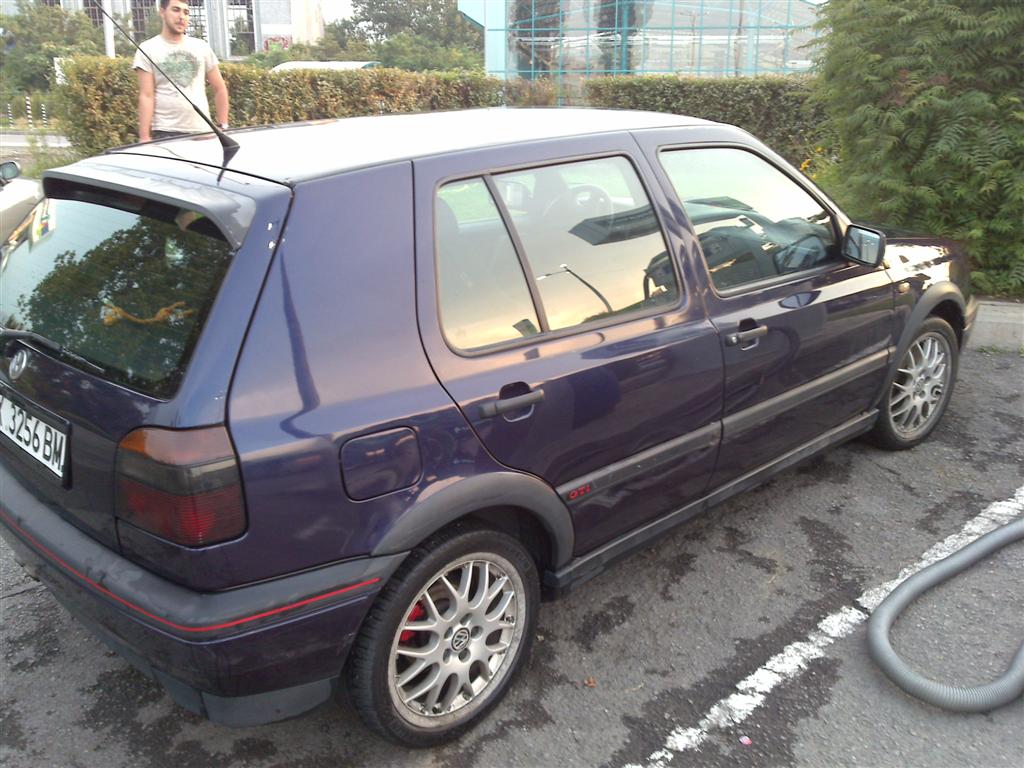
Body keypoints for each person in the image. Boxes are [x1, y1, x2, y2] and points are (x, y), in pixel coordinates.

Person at [134, 0, 229, 142]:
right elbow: (146, 96)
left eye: (186, 12)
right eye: (176, 10)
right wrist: (144, 137)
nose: (182, 17)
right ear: (162, 12)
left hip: (203, 132)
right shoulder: (147, 49)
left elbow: (220, 88)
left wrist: (223, 125)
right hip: (165, 132)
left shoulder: (201, 47)